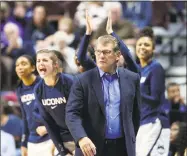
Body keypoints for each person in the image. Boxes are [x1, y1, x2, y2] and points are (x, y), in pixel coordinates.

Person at [65, 11, 141, 156]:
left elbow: (136, 116)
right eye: (98, 52)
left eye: (106, 52)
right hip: (91, 146)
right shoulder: (83, 79)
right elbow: (71, 114)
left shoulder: (132, 78)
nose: (100, 55)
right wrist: (81, 138)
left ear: (118, 56)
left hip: (121, 148)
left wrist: (112, 33)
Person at [135, 27, 170, 156]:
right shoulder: (137, 69)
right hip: (142, 123)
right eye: (139, 44)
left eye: (147, 44)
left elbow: (155, 100)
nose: (142, 47)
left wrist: (136, 92)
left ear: (153, 48)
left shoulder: (156, 68)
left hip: (156, 122)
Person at [34, 49, 75, 156]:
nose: (41, 63)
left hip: (81, 137)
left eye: (45, 60)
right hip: (63, 140)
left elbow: (80, 114)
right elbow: (48, 122)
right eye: (38, 61)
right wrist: (63, 151)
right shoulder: (38, 89)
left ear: (55, 64)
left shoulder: (69, 82)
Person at [15, 55, 54, 156]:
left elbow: (56, 111)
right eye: (17, 65)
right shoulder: (19, 89)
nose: (20, 67)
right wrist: (24, 143)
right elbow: (24, 117)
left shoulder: (43, 83)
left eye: (23, 64)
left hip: (49, 137)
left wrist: (51, 131)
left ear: (33, 67)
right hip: (32, 141)